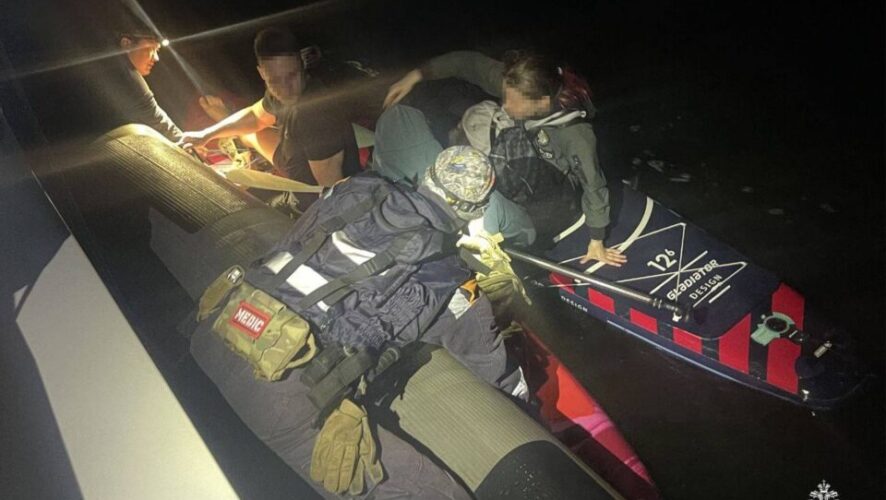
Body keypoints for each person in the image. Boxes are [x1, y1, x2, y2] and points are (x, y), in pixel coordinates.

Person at [190, 145, 527, 498]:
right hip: (281, 395)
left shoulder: (352, 191)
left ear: (427, 177)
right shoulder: (449, 276)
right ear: (476, 211)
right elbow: (492, 372)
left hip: (220, 326)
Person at [384, 50, 627, 266]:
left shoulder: (575, 135)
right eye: (506, 97)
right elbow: (467, 63)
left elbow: (594, 186)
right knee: (408, 119)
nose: (506, 106)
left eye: (514, 103)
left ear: (542, 103)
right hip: (515, 156)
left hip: (545, 199)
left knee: (487, 205)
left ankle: (477, 252)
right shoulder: (520, 85)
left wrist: (597, 241)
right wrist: (416, 75)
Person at [179, 27, 360, 209]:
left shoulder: (313, 114)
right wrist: (205, 134)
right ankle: (230, 127)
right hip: (295, 159)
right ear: (262, 73)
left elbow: (334, 196)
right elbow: (256, 117)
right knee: (255, 134)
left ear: (302, 62)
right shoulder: (280, 93)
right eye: (274, 81)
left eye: (291, 76)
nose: (285, 89)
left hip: (308, 203)